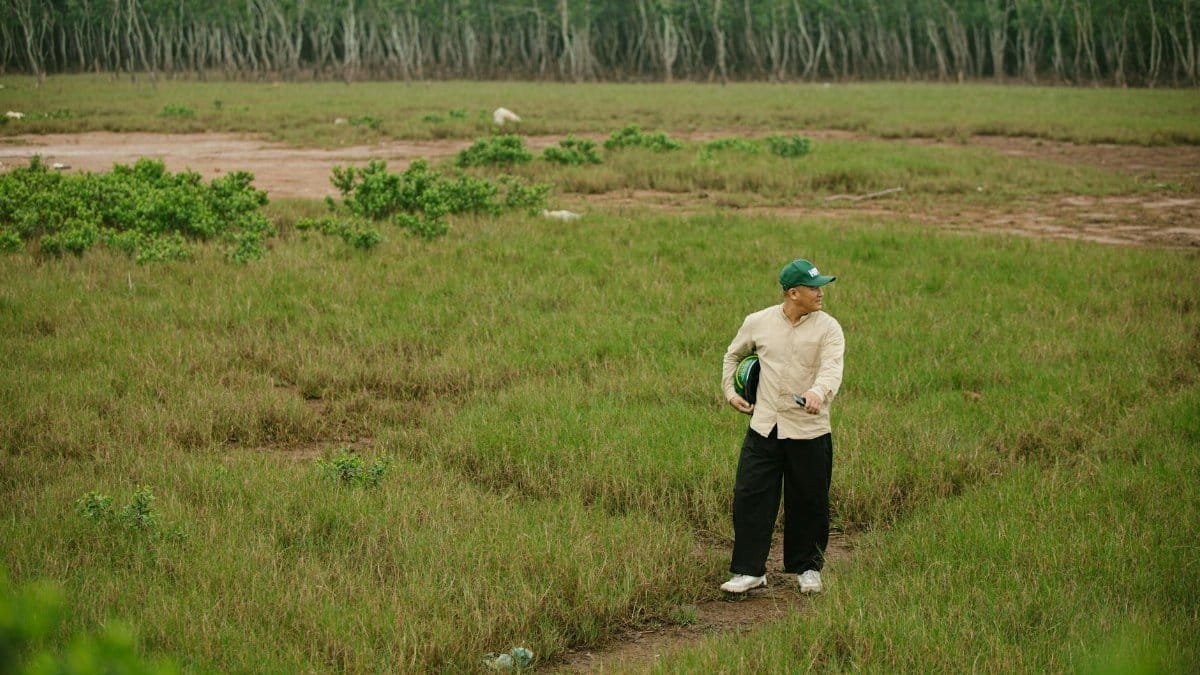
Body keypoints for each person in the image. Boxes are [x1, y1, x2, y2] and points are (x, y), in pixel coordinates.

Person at [719, 258, 844, 594]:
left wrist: (818, 392)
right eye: (813, 288)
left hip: (808, 430)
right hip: (764, 427)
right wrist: (731, 392)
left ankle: (807, 568)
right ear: (793, 293)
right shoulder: (758, 322)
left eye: (821, 287)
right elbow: (732, 355)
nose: (820, 294)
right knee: (750, 496)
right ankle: (749, 570)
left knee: (809, 499)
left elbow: (832, 369)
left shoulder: (828, 328)